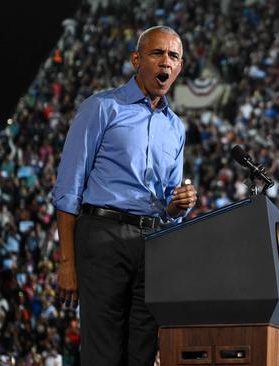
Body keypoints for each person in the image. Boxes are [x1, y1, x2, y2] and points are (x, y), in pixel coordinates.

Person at [52, 25, 197, 365]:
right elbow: (68, 188)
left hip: (152, 243)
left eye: (173, 56)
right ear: (136, 59)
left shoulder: (175, 128)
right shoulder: (102, 108)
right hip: (103, 236)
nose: (166, 61)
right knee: (103, 349)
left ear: (179, 67)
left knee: (142, 351)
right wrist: (67, 261)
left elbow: (168, 204)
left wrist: (178, 204)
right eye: (157, 53)